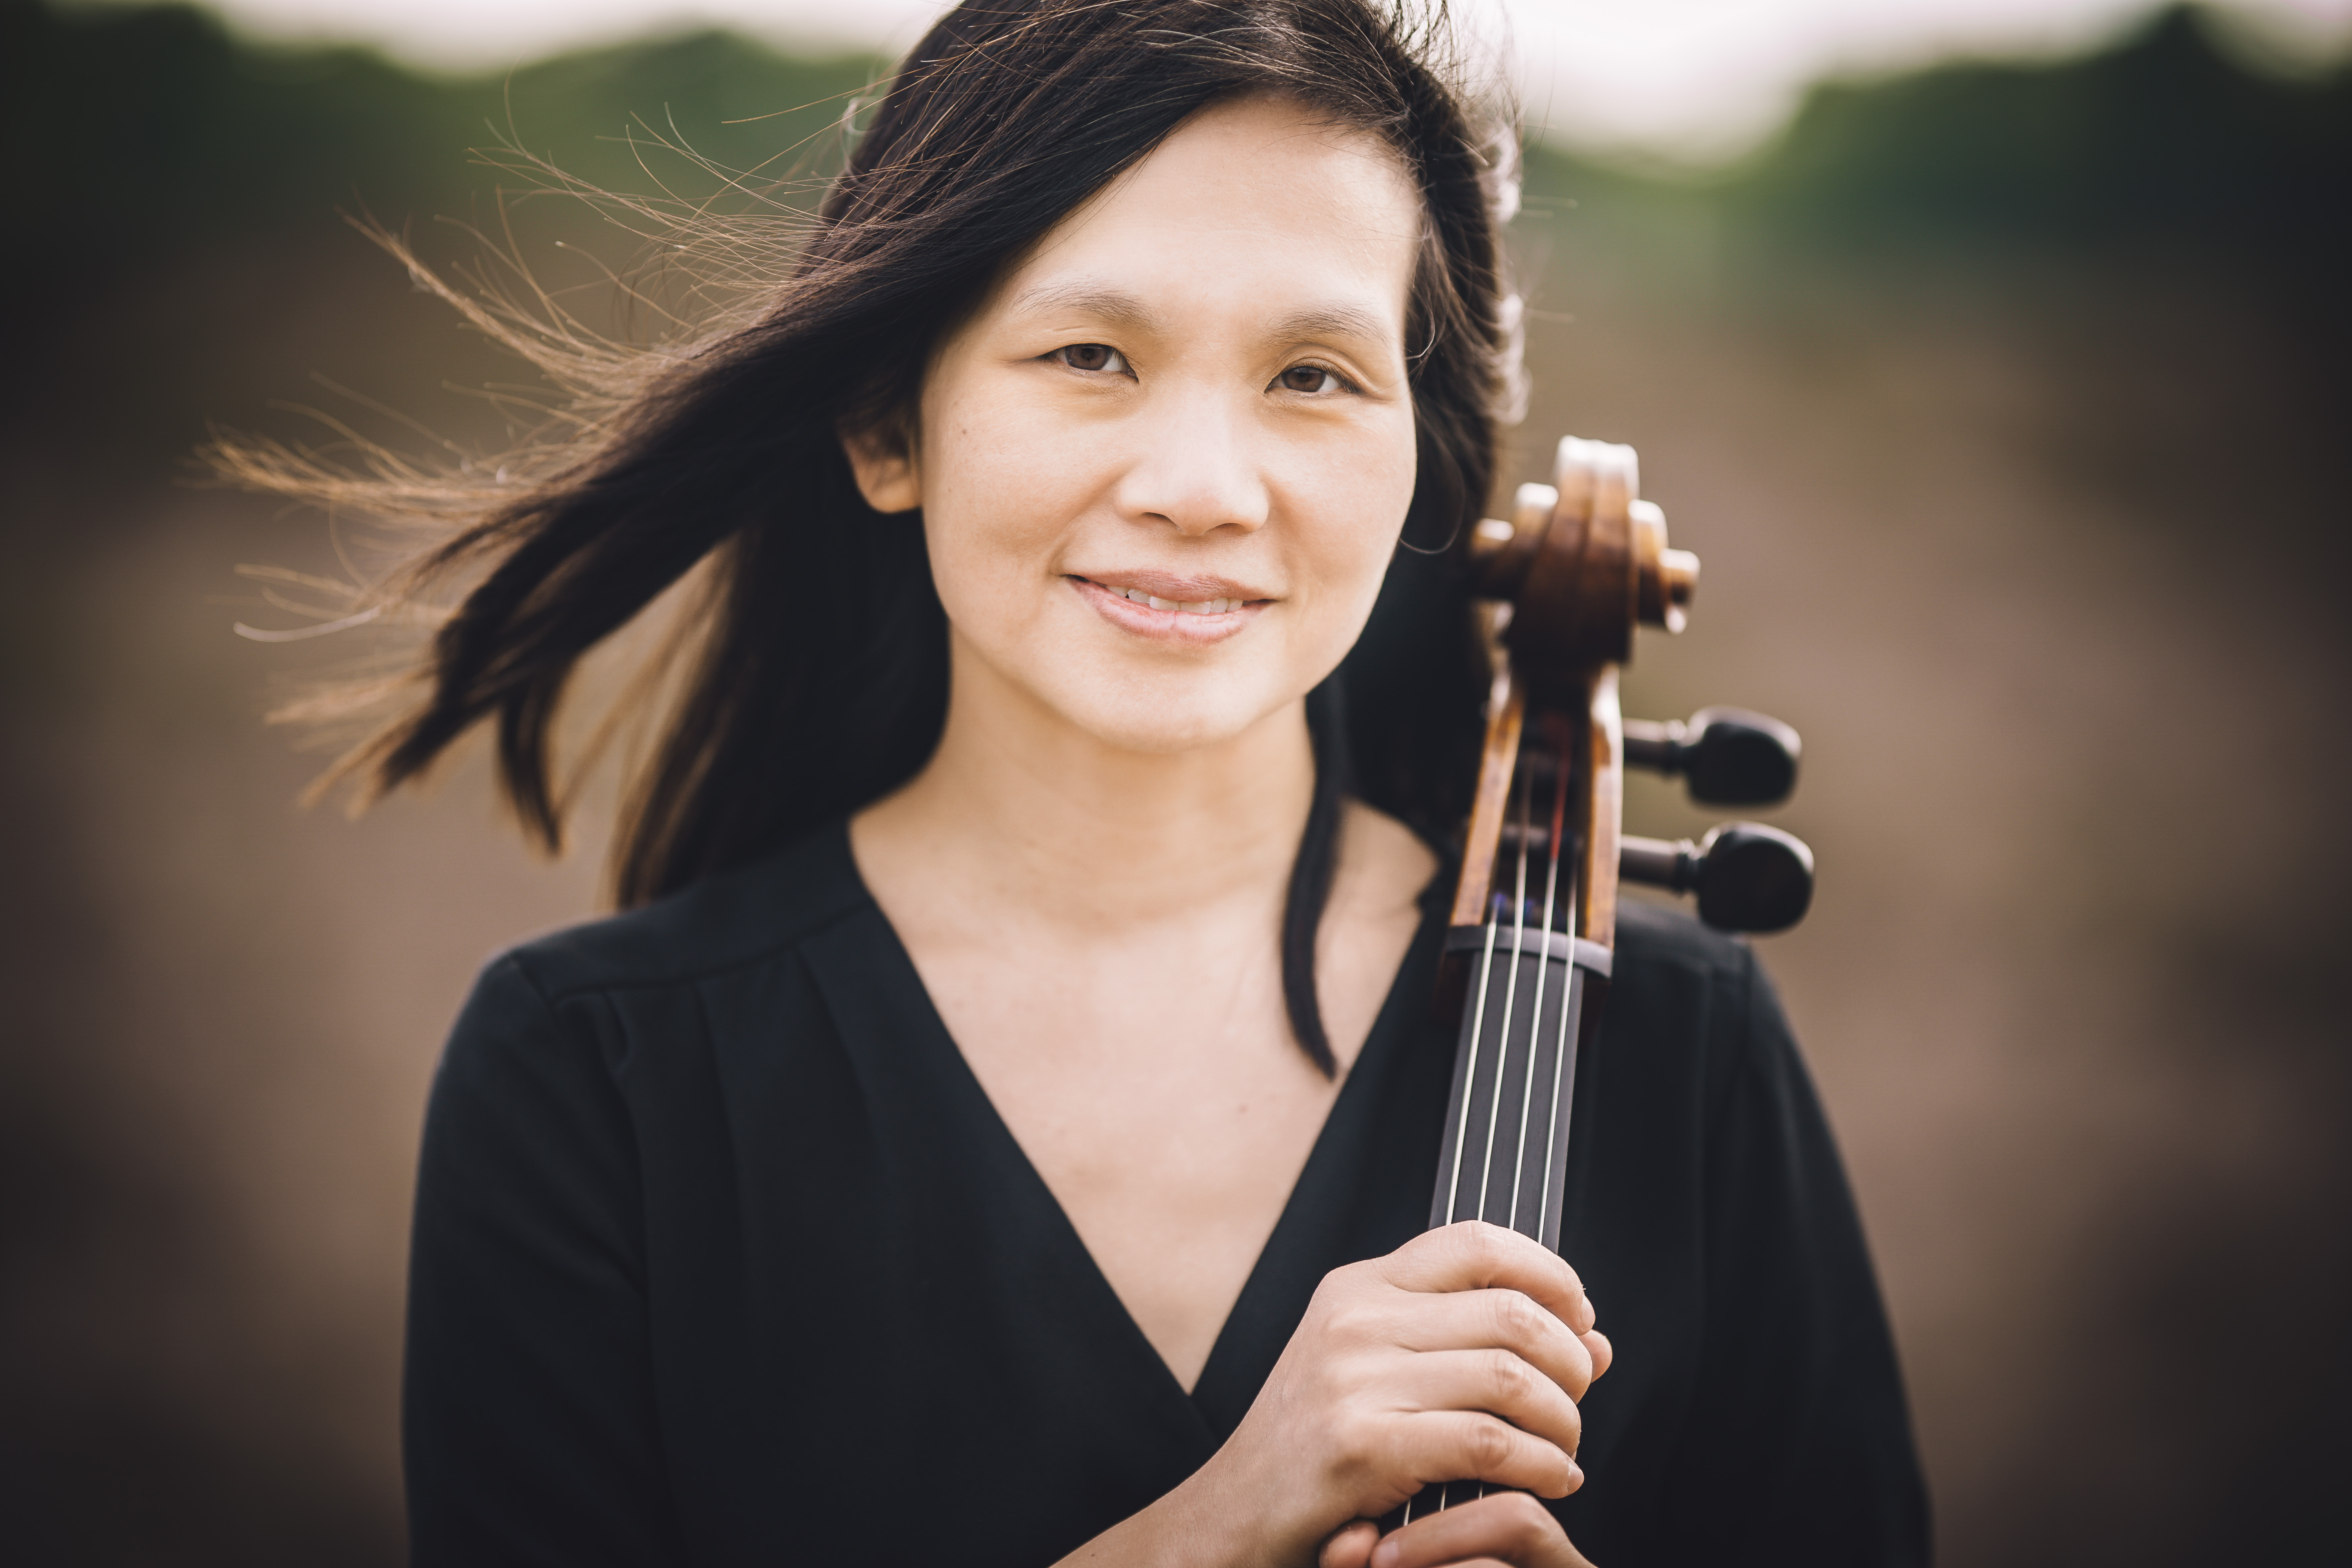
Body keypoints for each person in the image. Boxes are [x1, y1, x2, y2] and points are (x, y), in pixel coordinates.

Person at [227, 2, 1929, 1563]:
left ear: (1420, 465)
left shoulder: (1682, 1048)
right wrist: (1219, 1524)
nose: (1203, 487)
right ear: (887, 426)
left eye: (1314, 376)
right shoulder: (594, 1076)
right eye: (1090, 355)